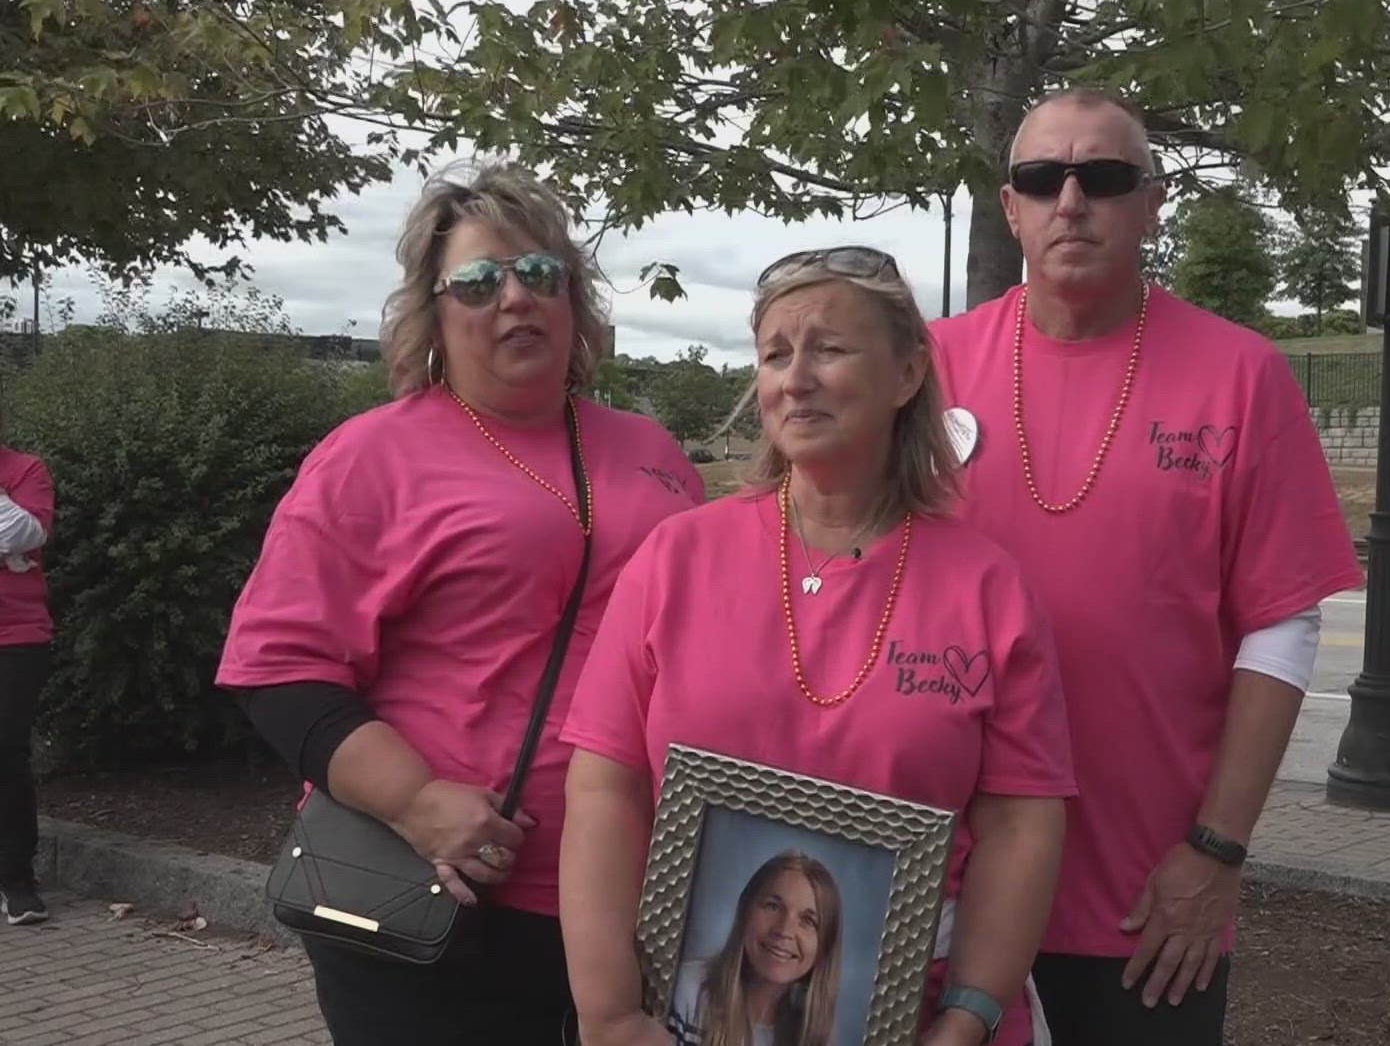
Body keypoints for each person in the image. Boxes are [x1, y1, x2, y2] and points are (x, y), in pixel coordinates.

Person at [215, 161, 705, 1045]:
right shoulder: (373, 456)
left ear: (575, 302)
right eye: (478, 282)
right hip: (439, 896)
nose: (514, 298)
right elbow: (279, 669)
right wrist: (414, 800)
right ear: (433, 315)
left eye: (540, 274)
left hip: (633, 895)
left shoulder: (653, 450)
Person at [928, 88, 1366, 1046]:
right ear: (1011, 207)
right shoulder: (928, 367)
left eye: (1106, 177)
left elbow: (1282, 627)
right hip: (936, 885)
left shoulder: (1241, 374)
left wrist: (1218, 849)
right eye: (1044, 179)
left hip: (1143, 899)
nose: (1071, 201)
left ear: (1153, 200)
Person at [558, 247, 1076, 1046]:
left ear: (907, 374)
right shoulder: (677, 558)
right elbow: (604, 792)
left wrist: (970, 1016)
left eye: (829, 349)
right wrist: (608, 1014)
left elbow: (1019, 826)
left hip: (924, 1019)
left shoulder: (988, 588)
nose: (795, 378)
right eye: (775, 354)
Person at [667, 851, 844, 1046]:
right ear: (745, 912)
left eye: (808, 921)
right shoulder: (684, 992)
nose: (784, 930)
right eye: (773, 906)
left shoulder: (814, 1038)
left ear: (824, 948)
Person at [0, 441, 53, 926]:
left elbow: (19, 532)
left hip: (16, 637)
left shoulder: (25, 470)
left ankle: (16, 880)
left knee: (6, 750)